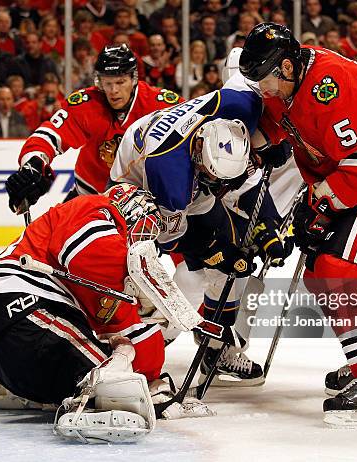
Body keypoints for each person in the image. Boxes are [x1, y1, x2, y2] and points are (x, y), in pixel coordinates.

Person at [239, 23, 357, 426]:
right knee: (320, 272)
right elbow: (275, 119)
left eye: (268, 81)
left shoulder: (331, 86)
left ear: (286, 66)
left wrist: (317, 204)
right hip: (339, 179)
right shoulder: (286, 80)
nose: (265, 91)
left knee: (338, 270)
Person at [0, 185, 211, 443]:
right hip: (22, 312)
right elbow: (115, 314)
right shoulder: (97, 210)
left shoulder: (76, 215)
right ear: (128, 209)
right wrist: (151, 375)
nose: (142, 238)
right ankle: (125, 393)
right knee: (122, 372)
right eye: (144, 225)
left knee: (92, 363)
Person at [109, 82, 292, 387]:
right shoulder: (171, 179)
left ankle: (217, 350)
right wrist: (213, 251)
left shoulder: (237, 110)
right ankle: (137, 339)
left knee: (231, 258)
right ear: (198, 156)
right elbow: (171, 239)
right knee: (140, 273)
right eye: (212, 179)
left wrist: (269, 225)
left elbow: (245, 183)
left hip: (186, 168)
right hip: (136, 188)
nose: (220, 188)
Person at [5, 45, 182, 213]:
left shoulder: (161, 105)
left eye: (120, 82)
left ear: (133, 79)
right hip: (90, 194)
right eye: (108, 83)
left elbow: (195, 129)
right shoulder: (88, 103)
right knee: (56, 241)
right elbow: (49, 135)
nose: (113, 90)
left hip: (145, 201)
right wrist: (33, 164)